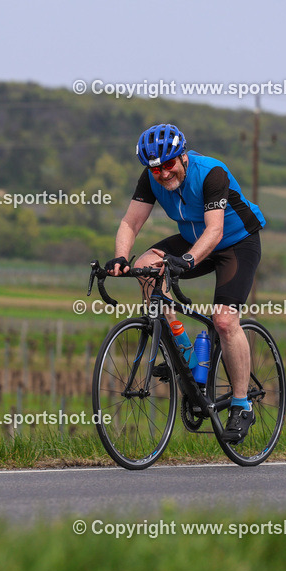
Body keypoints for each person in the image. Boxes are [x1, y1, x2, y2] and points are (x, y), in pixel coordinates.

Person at [106, 123, 266, 443]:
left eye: (168, 165)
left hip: (235, 243)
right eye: (155, 168)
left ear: (182, 156)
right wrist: (121, 257)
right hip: (193, 238)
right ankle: (184, 355)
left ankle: (240, 404)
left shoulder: (211, 174)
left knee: (223, 319)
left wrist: (189, 260)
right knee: (146, 268)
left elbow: (215, 231)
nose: (163, 174)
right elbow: (130, 221)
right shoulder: (152, 177)